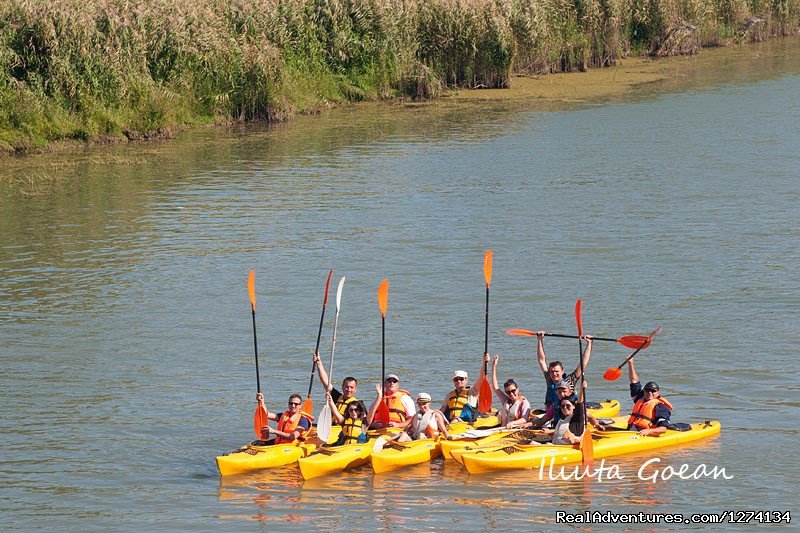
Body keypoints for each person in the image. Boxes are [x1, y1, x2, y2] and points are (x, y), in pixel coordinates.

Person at [536, 332, 593, 409]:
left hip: (567, 411)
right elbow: (541, 360)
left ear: (562, 371)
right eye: (552, 371)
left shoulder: (570, 380)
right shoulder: (549, 378)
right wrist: (539, 340)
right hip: (550, 412)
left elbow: (583, 363)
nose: (554, 374)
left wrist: (589, 343)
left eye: (557, 371)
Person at [627, 359, 672, 436]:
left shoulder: (660, 407)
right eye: (647, 391)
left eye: (653, 391)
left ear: (658, 392)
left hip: (646, 434)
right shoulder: (640, 398)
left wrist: (649, 431)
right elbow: (634, 380)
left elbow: (663, 429)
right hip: (631, 432)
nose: (650, 393)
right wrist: (630, 363)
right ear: (644, 391)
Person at [312, 352, 362, 421]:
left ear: (355, 389)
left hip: (346, 429)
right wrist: (319, 363)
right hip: (333, 427)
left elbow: (365, 421)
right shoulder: (337, 397)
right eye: (346, 387)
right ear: (342, 387)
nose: (348, 389)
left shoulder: (358, 405)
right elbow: (326, 382)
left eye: (351, 387)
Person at [440, 357, 487, 422]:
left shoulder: (472, 392)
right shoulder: (450, 395)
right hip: (451, 421)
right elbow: (443, 408)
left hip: (464, 422)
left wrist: (484, 362)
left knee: (455, 420)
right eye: (456, 380)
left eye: (461, 379)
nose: (458, 381)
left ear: (466, 380)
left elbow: (481, 379)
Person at [491, 355, 531, 429]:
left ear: (517, 389)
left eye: (513, 391)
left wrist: (513, 423)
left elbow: (524, 419)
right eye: (508, 392)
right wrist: (494, 367)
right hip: (502, 429)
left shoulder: (524, 403)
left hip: (514, 429)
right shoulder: (506, 401)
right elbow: (495, 387)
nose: (511, 394)